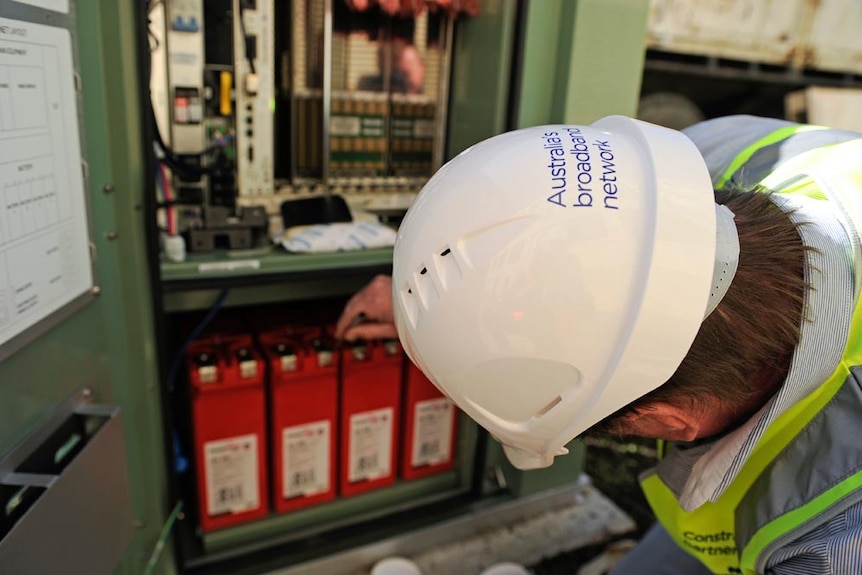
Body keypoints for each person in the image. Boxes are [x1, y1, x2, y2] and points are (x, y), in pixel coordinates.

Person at [334, 114, 862, 574]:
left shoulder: (835, 543)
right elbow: (569, 228)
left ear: (675, 421)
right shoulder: (710, 156)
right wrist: (437, 306)